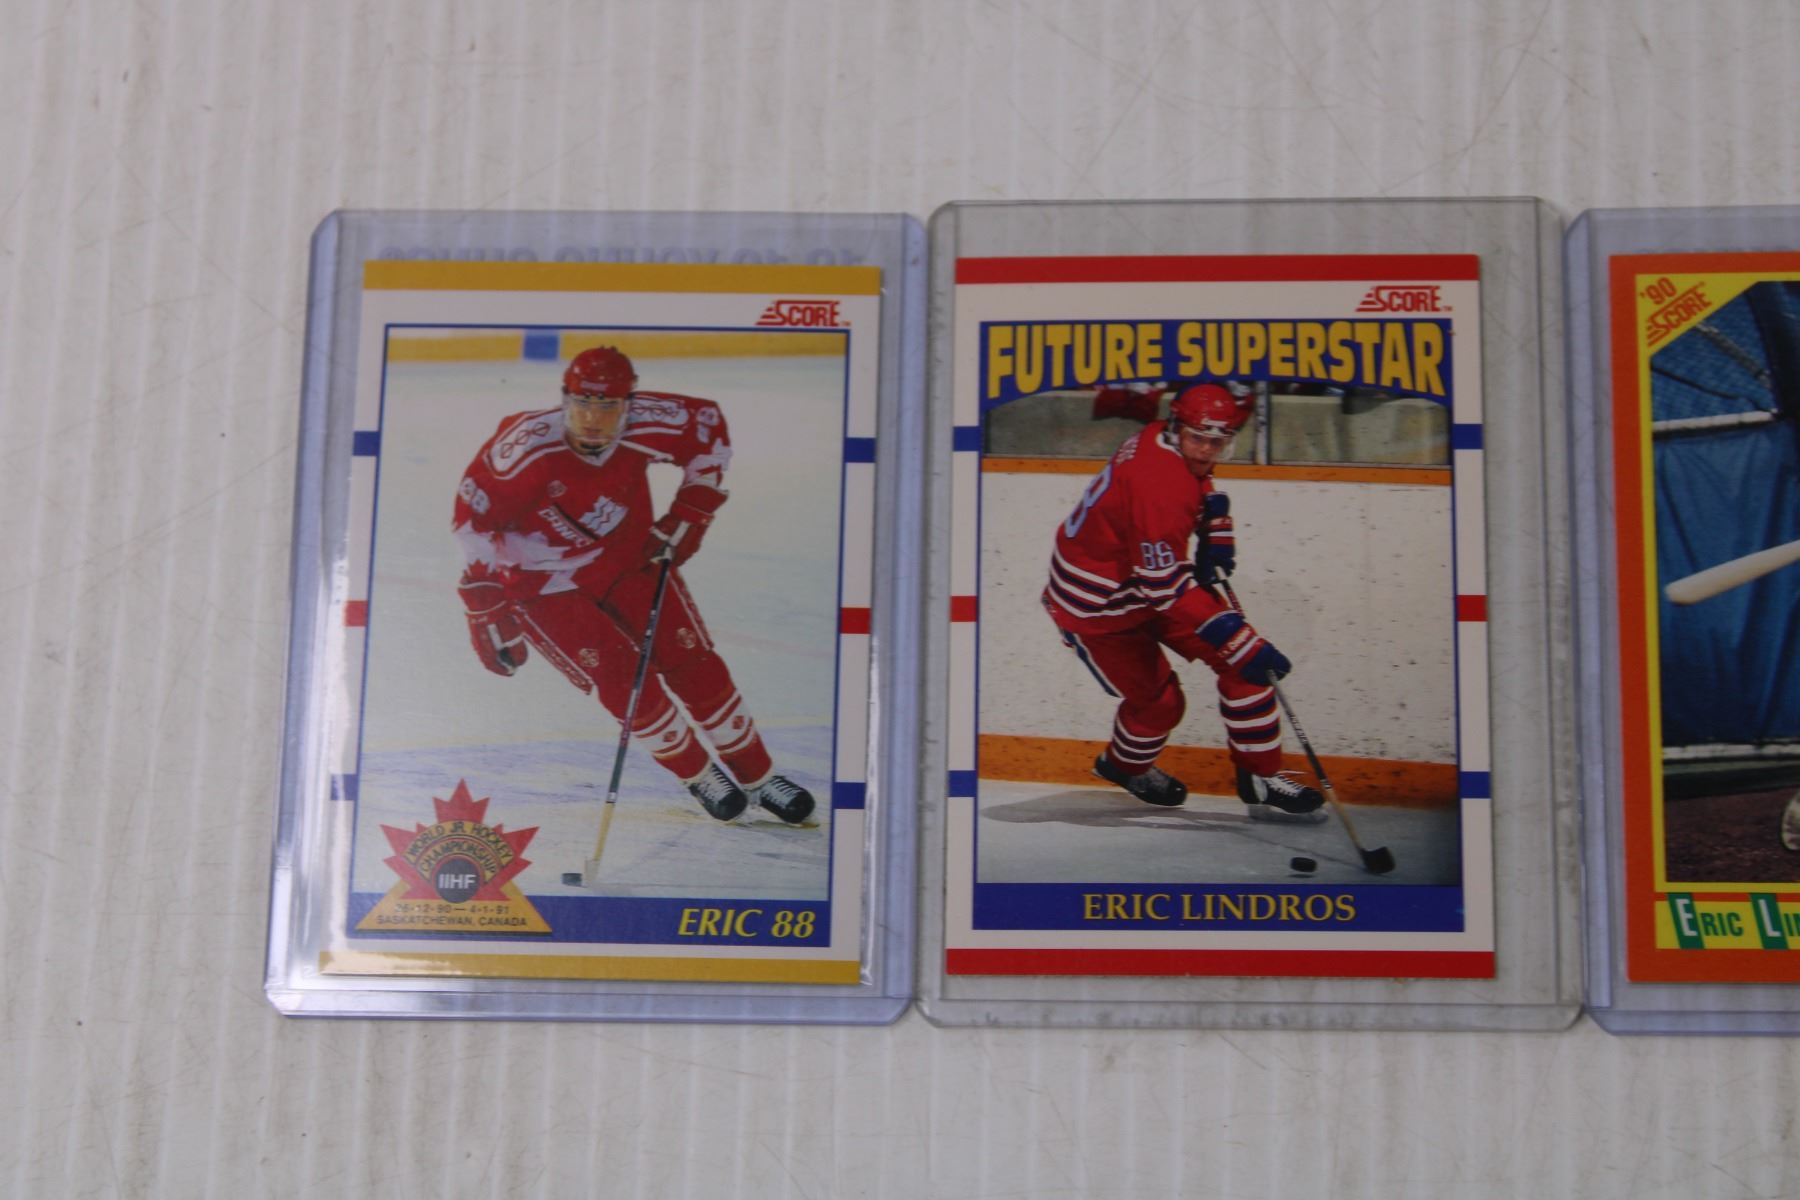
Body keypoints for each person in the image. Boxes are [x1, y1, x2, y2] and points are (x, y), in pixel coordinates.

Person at [450, 345, 815, 826]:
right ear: (564, 400)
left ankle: (761, 778)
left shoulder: (651, 421)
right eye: (582, 404)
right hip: (541, 584)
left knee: (693, 662)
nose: (592, 420)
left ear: (629, 404)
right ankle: (699, 774)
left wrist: (692, 510)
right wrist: (484, 604)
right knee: (624, 681)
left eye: (607, 407)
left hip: (626, 557)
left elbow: (708, 432)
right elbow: (471, 521)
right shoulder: (524, 448)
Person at [1043, 382, 1325, 822]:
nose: (1207, 450)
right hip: (1097, 603)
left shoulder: (1160, 435)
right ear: (1177, 427)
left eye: (1219, 441)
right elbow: (1164, 585)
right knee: (1164, 703)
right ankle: (1124, 766)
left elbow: (1198, 479)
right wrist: (1236, 638)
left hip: (1142, 579)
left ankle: (1260, 775)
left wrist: (1215, 521)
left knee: (1245, 669)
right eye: (1199, 439)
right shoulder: (1159, 483)